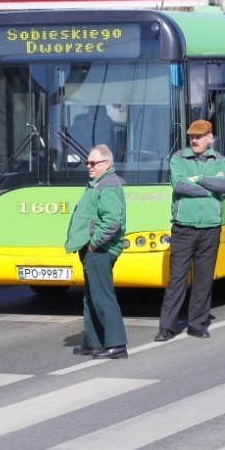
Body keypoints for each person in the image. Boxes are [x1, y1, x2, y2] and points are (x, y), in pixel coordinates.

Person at [155, 119, 225, 342]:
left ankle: (197, 324)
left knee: (204, 278)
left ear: (210, 138)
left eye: (199, 137)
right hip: (184, 227)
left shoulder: (219, 159)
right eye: (191, 137)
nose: (194, 140)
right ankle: (166, 327)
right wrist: (208, 188)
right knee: (177, 278)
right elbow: (179, 184)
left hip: (210, 227)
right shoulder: (179, 158)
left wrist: (198, 180)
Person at [65, 144, 129, 359]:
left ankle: (116, 344)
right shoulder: (97, 183)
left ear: (107, 164)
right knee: (91, 296)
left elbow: (113, 222)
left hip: (101, 249)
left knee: (103, 296)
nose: (89, 166)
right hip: (92, 248)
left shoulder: (108, 185)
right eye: (87, 162)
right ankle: (93, 343)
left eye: (93, 163)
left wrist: (94, 244)